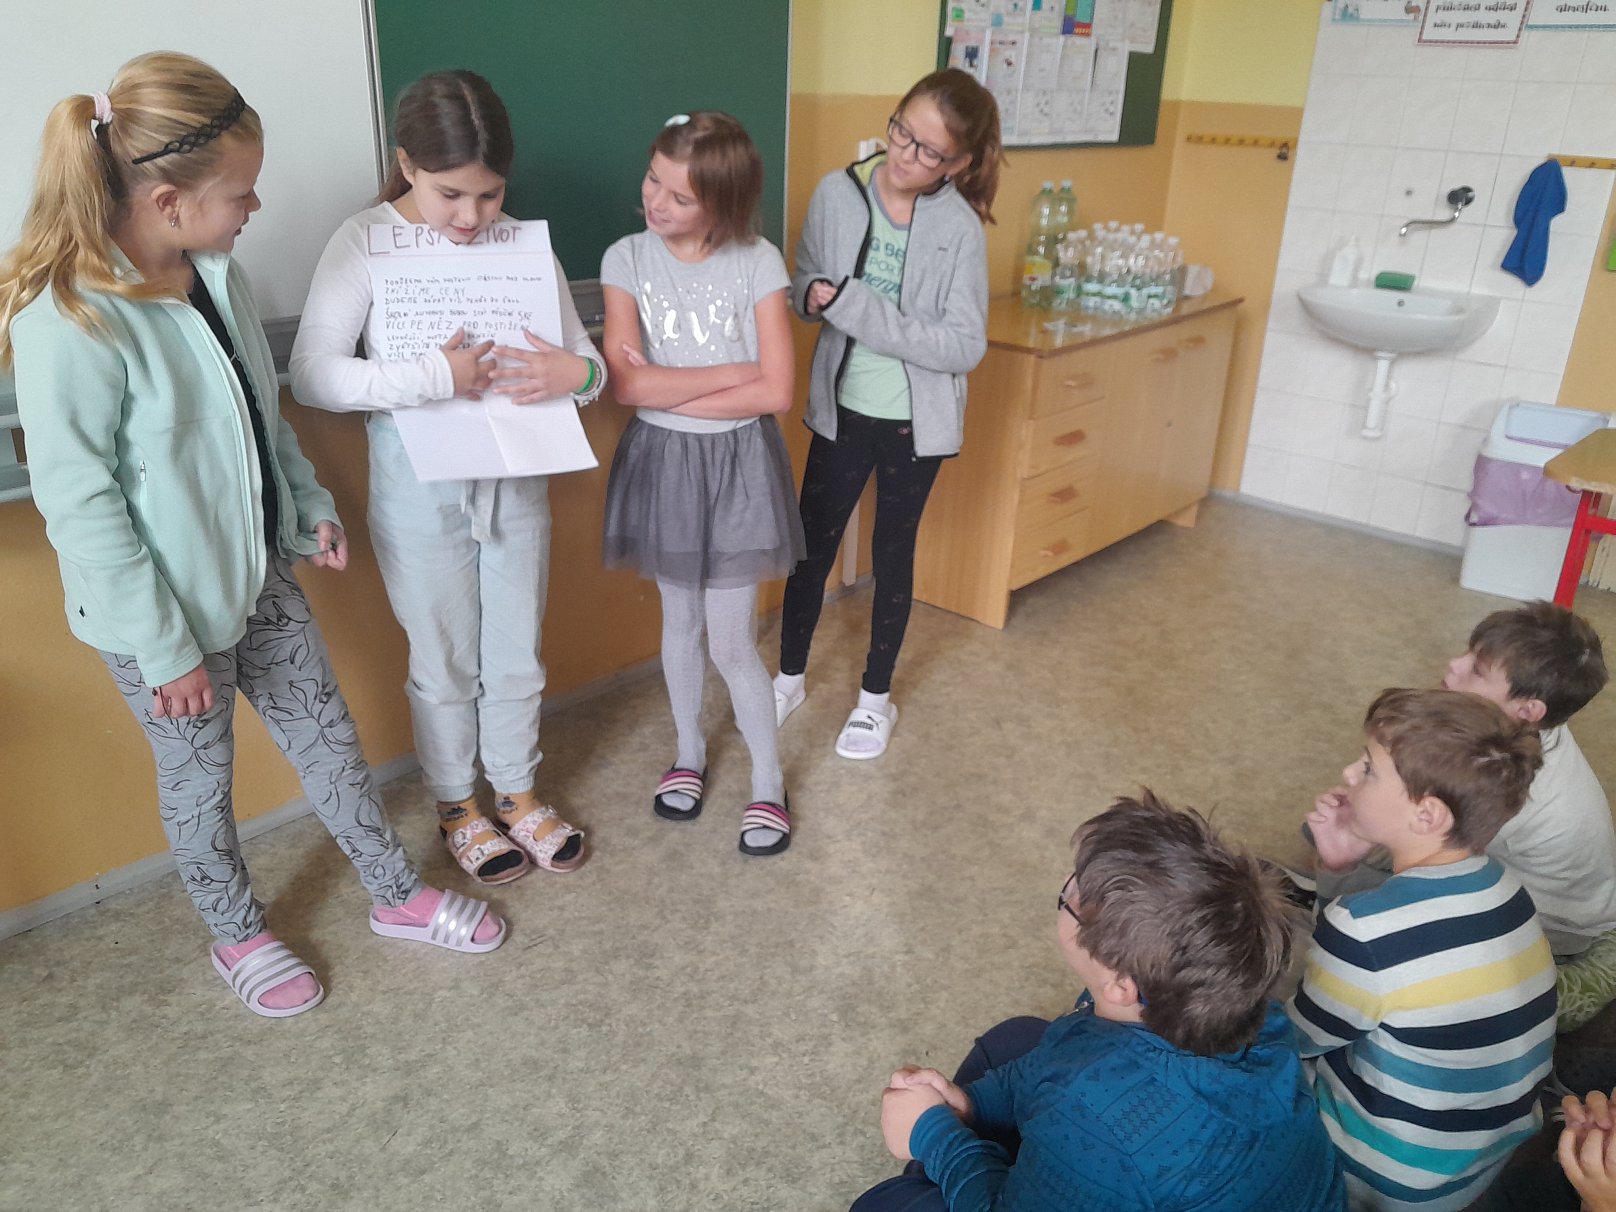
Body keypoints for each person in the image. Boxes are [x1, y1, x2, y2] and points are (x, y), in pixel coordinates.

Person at [1, 53, 503, 1020]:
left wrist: (306, 507)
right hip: (159, 624)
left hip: (258, 577)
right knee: (200, 784)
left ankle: (394, 895)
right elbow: (82, 505)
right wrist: (165, 650)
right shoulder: (70, 317)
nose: (256, 205)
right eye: (240, 192)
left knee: (331, 744)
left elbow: (258, 423)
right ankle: (237, 933)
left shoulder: (215, 279)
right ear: (167, 200)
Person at [292, 70, 601, 884]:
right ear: (407, 165)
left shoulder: (520, 243)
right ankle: (458, 803)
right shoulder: (364, 240)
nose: (470, 218)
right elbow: (314, 375)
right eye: (449, 195)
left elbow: (588, 366)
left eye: (489, 195)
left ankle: (518, 792)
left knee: (517, 652)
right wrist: (434, 375)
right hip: (418, 490)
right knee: (442, 658)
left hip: (516, 485)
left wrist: (575, 373)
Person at [853, 792, 1345, 1212]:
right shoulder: (1255, 1011)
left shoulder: (1096, 1109)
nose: (1069, 886)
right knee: (1016, 1038)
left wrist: (934, 1137)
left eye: (1071, 896)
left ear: (1121, 984)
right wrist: (971, 1105)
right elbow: (1061, 1060)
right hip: (1161, 1151)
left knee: (889, 1201)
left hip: (1121, 1139)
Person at [772, 68, 1000, 761]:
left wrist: (855, 306)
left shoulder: (960, 229)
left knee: (892, 556)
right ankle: (787, 679)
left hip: (914, 424)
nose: (905, 154)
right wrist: (812, 297)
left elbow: (964, 347)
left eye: (928, 151)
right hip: (841, 410)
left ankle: (875, 701)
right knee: (810, 549)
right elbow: (803, 285)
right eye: (902, 131)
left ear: (957, 164)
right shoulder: (836, 194)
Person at [599, 111, 801, 856]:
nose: (656, 202)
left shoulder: (758, 261)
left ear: (723, 203)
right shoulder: (626, 258)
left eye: (680, 196)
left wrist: (668, 385)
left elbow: (777, 392)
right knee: (679, 622)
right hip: (665, 465)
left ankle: (768, 781)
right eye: (654, 180)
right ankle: (688, 752)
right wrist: (736, 371)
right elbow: (628, 388)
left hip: (740, 466)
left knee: (732, 641)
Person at [1287, 689, 1554, 1211]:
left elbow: (1297, 1039)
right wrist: (1339, 868)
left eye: (1368, 768)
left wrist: (1334, 888)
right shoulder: (1507, 887)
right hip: (1482, 1159)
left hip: (1386, 1177)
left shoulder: (1361, 929)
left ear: (1427, 815)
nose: (1348, 772)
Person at [1300, 604, 1616, 1033]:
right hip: (1517, 876)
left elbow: (1436, 862)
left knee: (1364, 926)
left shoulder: (1514, 791)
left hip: (1555, 927)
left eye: (1478, 669)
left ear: (1528, 710)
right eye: (1469, 652)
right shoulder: (1515, 740)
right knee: (1342, 829)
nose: (1454, 664)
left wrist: (1351, 852)